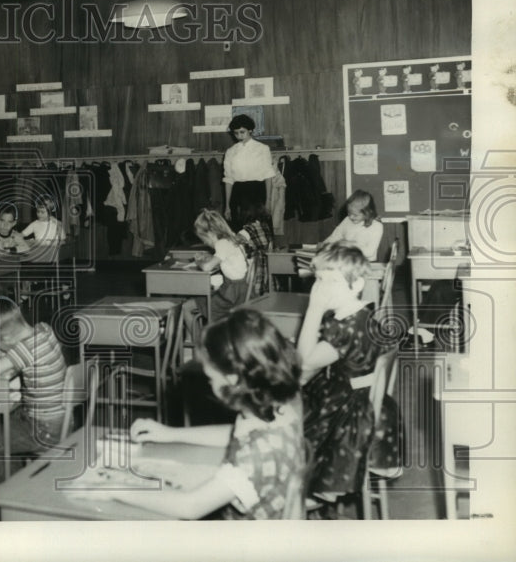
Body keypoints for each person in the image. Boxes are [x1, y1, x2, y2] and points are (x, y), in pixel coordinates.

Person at [102, 308, 304, 519]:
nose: (210, 384)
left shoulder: (258, 453)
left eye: (212, 379)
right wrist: (169, 433)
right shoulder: (279, 409)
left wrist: (112, 489)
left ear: (233, 380)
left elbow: (190, 507)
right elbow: (236, 433)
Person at [296, 241, 398, 508]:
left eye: (331, 282)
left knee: (288, 423)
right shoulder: (362, 315)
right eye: (318, 280)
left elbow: (305, 362)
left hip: (345, 413)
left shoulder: (346, 328)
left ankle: (293, 497)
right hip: (354, 395)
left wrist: (314, 309)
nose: (320, 289)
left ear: (355, 285)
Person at [0, 297, 67, 483]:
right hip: (62, 419)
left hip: (43, 429)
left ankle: (15, 489)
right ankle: (19, 474)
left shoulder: (24, 350)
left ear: (7, 338)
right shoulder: (44, 329)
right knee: (1, 423)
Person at [182, 209, 249, 328]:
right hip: (241, 290)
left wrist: (198, 261)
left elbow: (207, 267)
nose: (204, 242)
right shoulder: (232, 238)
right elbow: (227, 260)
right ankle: (195, 339)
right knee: (204, 297)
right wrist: (209, 257)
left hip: (232, 295)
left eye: (203, 238)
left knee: (186, 307)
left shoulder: (221, 244)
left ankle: (198, 343)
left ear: (210, 234)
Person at [222, 114, 276, 223]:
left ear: (250, 130)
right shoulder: (230, 151)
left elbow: (268, 176)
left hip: (257, 193)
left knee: (258, 229)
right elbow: (228, 180)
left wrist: (268, 202)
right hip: (237, 194)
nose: (239, 136)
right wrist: (227, 206)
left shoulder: (262, 149)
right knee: (239, 230)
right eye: (236, 133)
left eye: (242, 132)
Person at [321, 190, 383, 262]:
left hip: (366, 263)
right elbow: (335, 236)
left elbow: (369, 252)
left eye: (355, 215)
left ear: (368, 212)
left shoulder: (376, 226)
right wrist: (324, 245)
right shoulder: (347, 220)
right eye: (349, 213)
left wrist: (348, 245)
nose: (351, 217)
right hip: (347, 261)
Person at [234, 198, 273, 298]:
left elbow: (232, 246)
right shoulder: (264, 226)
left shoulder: (247, 230)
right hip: (266, 267)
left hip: (254, 270)